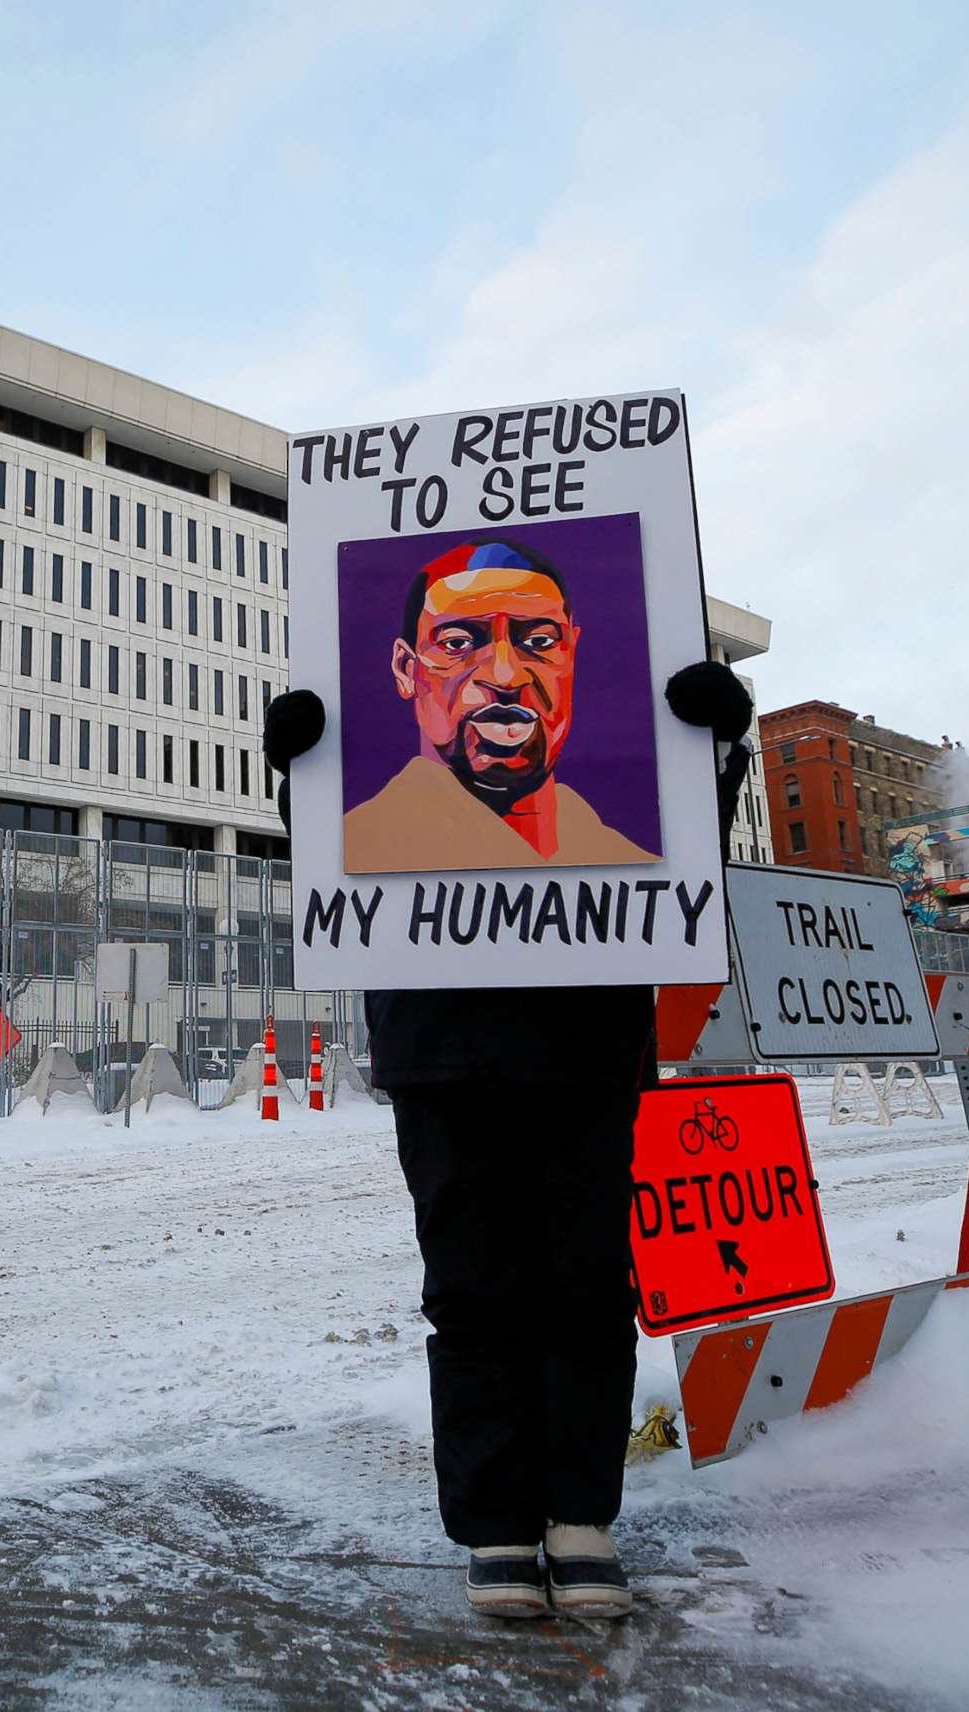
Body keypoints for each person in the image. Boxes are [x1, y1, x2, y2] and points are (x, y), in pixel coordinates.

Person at [264, 659, 753, 1621]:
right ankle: (498, 1524)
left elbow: (687, 855)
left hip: (585, 1043)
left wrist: (717, 750)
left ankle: (580, 1519)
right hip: (443, 1049)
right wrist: (302, 773)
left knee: (585, 1280)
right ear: (407, 672)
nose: (496, 679)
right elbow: (339, 868)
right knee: (472, 1286)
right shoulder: (396, 792)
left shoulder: (601, 793)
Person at [344, 540, 653, 873]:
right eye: (457, 643)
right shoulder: (361, 845)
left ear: (572, 654)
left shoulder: (622, 859)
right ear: (407, 669)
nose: (506, 677)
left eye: (540, 642)